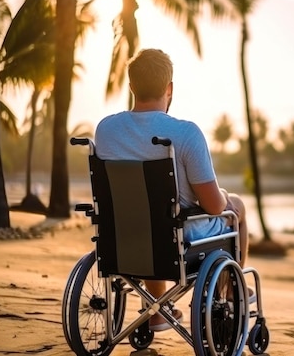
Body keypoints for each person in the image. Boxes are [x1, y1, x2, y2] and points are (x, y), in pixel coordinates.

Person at [94, 48, 249, 331]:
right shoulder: (185, 133)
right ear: (169, 88)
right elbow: (214, 207)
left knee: (152, 219)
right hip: (175, 241)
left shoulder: (106, 130)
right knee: (235, 205)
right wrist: (226, 198)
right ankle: (230, 291)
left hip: (122, 239)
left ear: (132, 87)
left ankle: (156, 309)